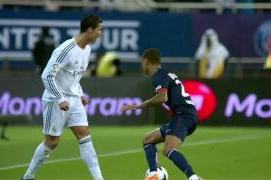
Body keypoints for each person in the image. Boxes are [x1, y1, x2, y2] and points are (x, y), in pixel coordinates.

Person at [22, 15, 104, 180]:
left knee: (85, 135)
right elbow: (47, 76)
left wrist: (80, 94)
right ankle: (28, 176)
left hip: (74, 100)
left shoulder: (87, 49)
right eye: (99, 30)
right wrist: (60, 98)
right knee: (52, 142)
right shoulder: (65, 49)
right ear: (89, 30)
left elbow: (75, 77)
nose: (100, 34)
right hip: (55, 100)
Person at [121, 48, 202, 180]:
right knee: (148, 140)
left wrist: (139, 106)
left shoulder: (158, 76)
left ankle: (193, 177)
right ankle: (154, 173)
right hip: (185, 115)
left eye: (142, 62)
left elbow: (162, 98)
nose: (142, 66)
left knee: (168, 149)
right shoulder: (166, 73)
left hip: (183, 116)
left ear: (146, 61)